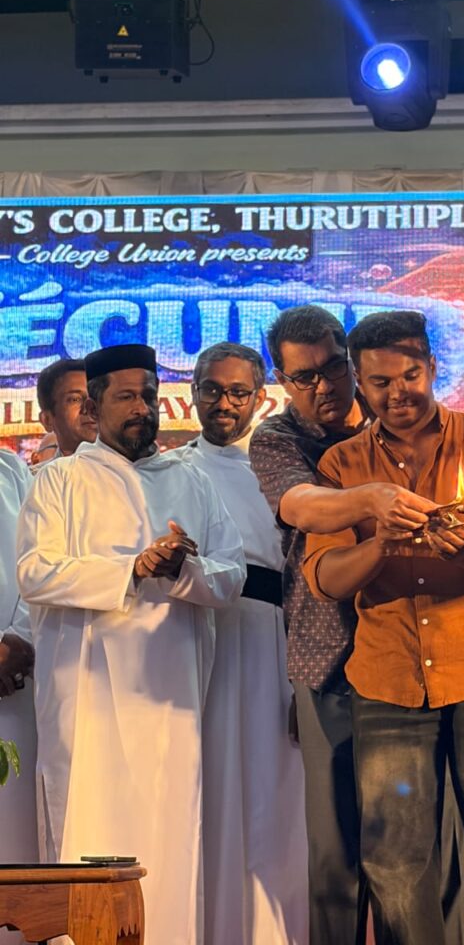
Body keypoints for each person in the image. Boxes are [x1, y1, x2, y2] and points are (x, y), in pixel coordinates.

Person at [302, 310, 464, 945]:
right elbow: (324, 579)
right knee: (395, 863)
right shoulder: (341, 466)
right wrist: (379, 544)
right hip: (387, 683)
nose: (398, 393)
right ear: (358, 382)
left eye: (410, 376)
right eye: (379, 382)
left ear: (432, 367)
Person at [250, 305, 464, 945]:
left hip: (417, 655)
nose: (323, 387)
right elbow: (302, 506)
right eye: (303, 378)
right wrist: (374, 498)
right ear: (282, 382)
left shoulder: (399, 419)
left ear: (352, 364)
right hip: (329, 661)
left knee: (432, 843)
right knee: (338, 853)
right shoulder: (277, 440)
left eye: (332, 369)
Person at [16, 343, 246, 945]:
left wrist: (182, 570)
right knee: (84, 830)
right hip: (84, 702)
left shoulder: (190, 479)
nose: (143, 407)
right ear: (93, 408)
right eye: (127, 397)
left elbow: (232, 575)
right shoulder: (60, 480)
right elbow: (35, 573)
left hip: (171, 704)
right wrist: (130, 570)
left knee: (171, 840)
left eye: (148, 395)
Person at [176, 341, 308, 945]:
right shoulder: (172, 470)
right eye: (212, 390)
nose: (223, 404)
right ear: (194, 393)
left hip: (268, 641)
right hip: (199, 638)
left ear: (260, 399)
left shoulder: (281, 471)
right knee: (207, 790)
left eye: (238, 392)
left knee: (271, 790)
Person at [0, 449, 36, 945]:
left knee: (16, 832)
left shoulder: (13, 472)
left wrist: (19, 638)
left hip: (15, 678)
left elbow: (39, 560)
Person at [35, 358, 97, 460]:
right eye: (75, 399)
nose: (90, 408)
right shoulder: (42, 471)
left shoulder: (125, 468)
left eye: (96, 397)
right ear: (47, 419)